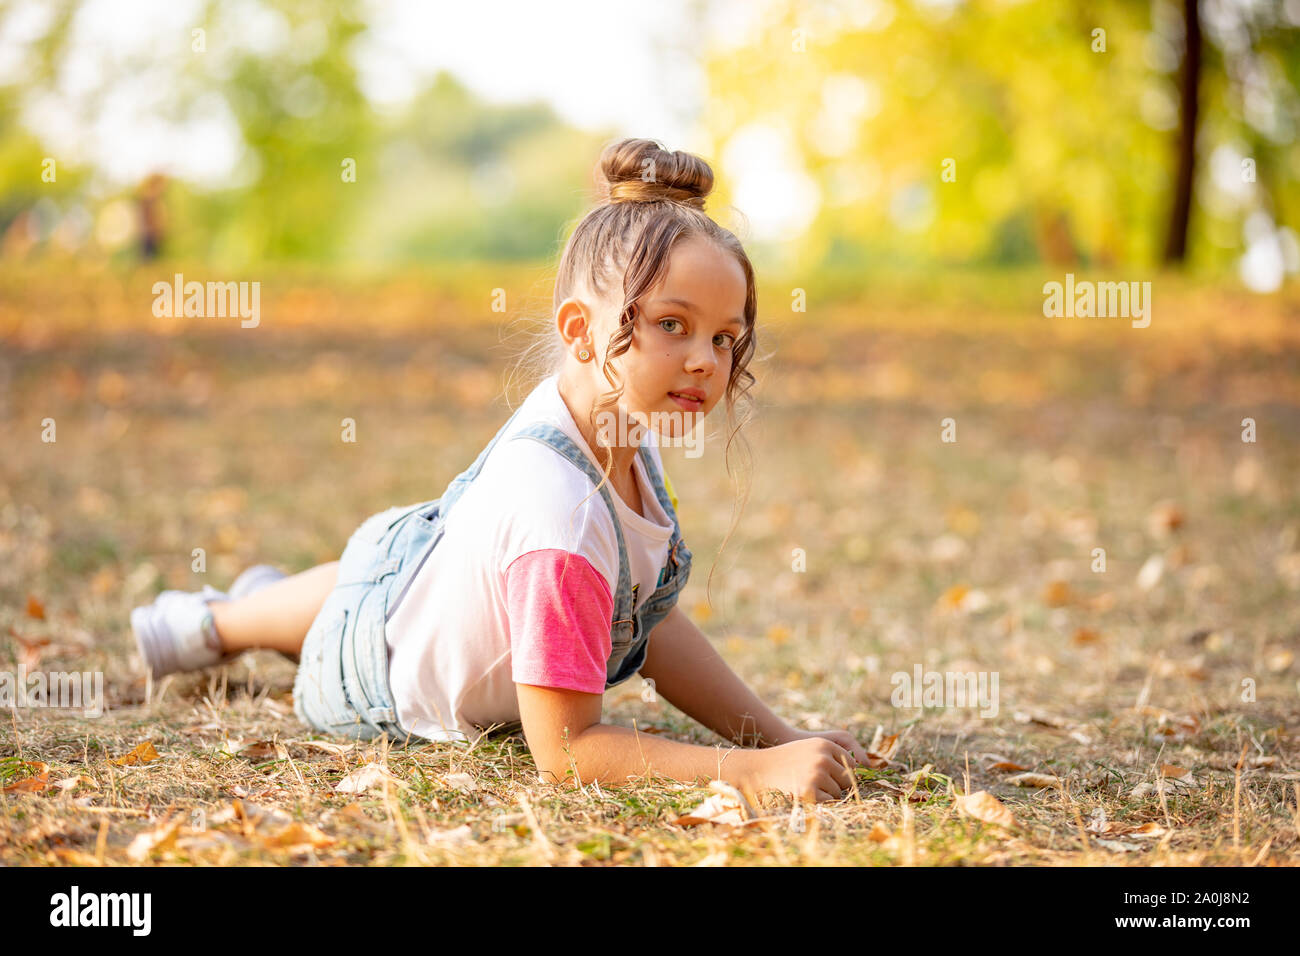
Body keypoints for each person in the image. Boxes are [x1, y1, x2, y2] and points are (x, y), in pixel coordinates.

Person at [129, 137, 867, 805]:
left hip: (415, 568)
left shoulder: (618, 421)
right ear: (580, 331)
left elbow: (649, 619)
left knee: (387, 574)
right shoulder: (561, 520)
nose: (705, 359)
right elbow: (569, 751)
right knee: (361, 603)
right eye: (671, 325)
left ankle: (259, 606)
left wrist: (777, 734)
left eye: (725, 335)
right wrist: (750, 772)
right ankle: (217, 622)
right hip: (370, 677)